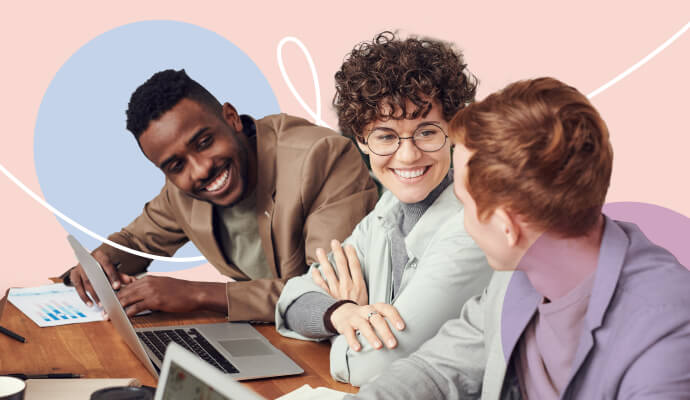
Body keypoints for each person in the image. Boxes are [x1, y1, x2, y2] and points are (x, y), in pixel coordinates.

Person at [348, 77, 690, 399]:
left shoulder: (666, 332)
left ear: (506, 226)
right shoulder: (512, 279)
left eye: (463, 203)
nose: (461, 219)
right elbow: (435, 370)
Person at [61, 69, 378, 322]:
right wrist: (103, 261)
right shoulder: (182, 191)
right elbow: (136, 241)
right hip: (274, 338)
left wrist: (200, 295)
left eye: (203, 142)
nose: (199, 170)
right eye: (175, 165)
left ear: (231, 118)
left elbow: (326, 292)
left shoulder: (321, 158)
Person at [275, 32, 493, 386]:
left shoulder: (472, 229)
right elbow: (291, 297)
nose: (407, 156)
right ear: (362, 140)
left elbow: (370, 368)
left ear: (452, 130)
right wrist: (342, 312)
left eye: (426, 132)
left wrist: (335, 328)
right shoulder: (386, 211)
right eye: (386, 136)